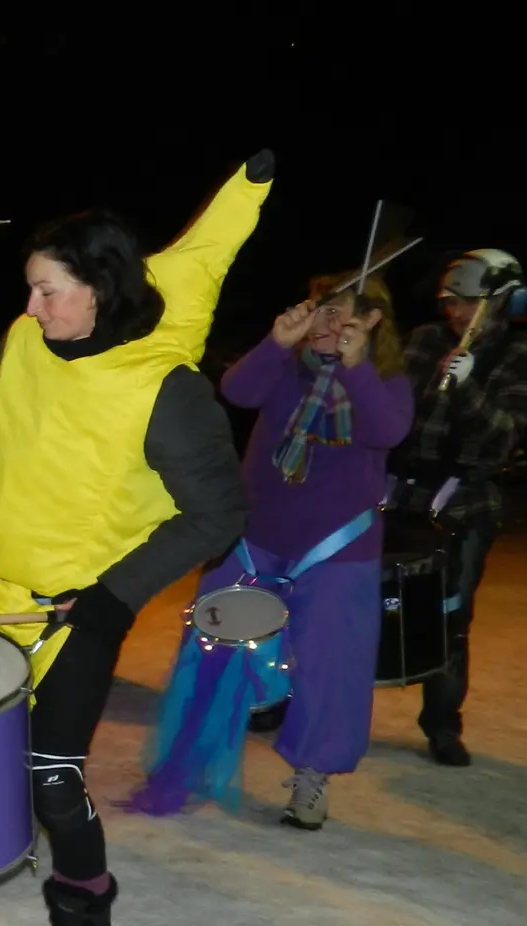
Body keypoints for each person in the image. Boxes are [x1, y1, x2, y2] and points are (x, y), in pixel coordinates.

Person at [0, 153, 270, 926]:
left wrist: (112, 599)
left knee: (53, 781)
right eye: (29, 289)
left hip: (75, 612)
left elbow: (217, 515)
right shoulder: (28, 343)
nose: (28, 309)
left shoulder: (165, 391)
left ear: (101, 288)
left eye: (48, 291)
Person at [129, 272, 412, 829]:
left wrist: (355, 368)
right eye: (320, 309)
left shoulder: (384, 380)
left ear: (373, 320)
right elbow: (237, 390)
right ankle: (188, 758)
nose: (326, 322)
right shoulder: (287, 368)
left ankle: (313, 775)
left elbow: (387, 432)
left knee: (332, 668)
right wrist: (277, 341)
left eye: (341, 312)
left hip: (339, 547)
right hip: (257, 538)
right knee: (210, 644)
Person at [385, 248, 527, 767]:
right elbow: (391, 412)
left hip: (464, 500)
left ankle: (442, 726)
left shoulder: (522, 354)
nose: (455, 312)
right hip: (397, 489)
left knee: (451, 617)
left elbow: (499, 438)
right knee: (347, 600)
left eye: (468, 302)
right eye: (450, 301)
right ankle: (310, 700)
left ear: (502, 301)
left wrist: (468, 385)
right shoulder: (426, 340)